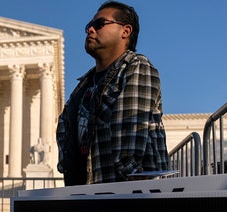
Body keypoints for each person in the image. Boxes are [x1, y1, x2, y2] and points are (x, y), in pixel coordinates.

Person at [56, 1, 169, 185]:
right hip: (89, 195)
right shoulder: (83, 86)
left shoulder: (135, 66)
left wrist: (132, 172)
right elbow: (64, 131)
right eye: (88, 26)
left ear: (125, 31)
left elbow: (131, 122)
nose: (90, 30)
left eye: (100, 24)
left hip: (131, 193)